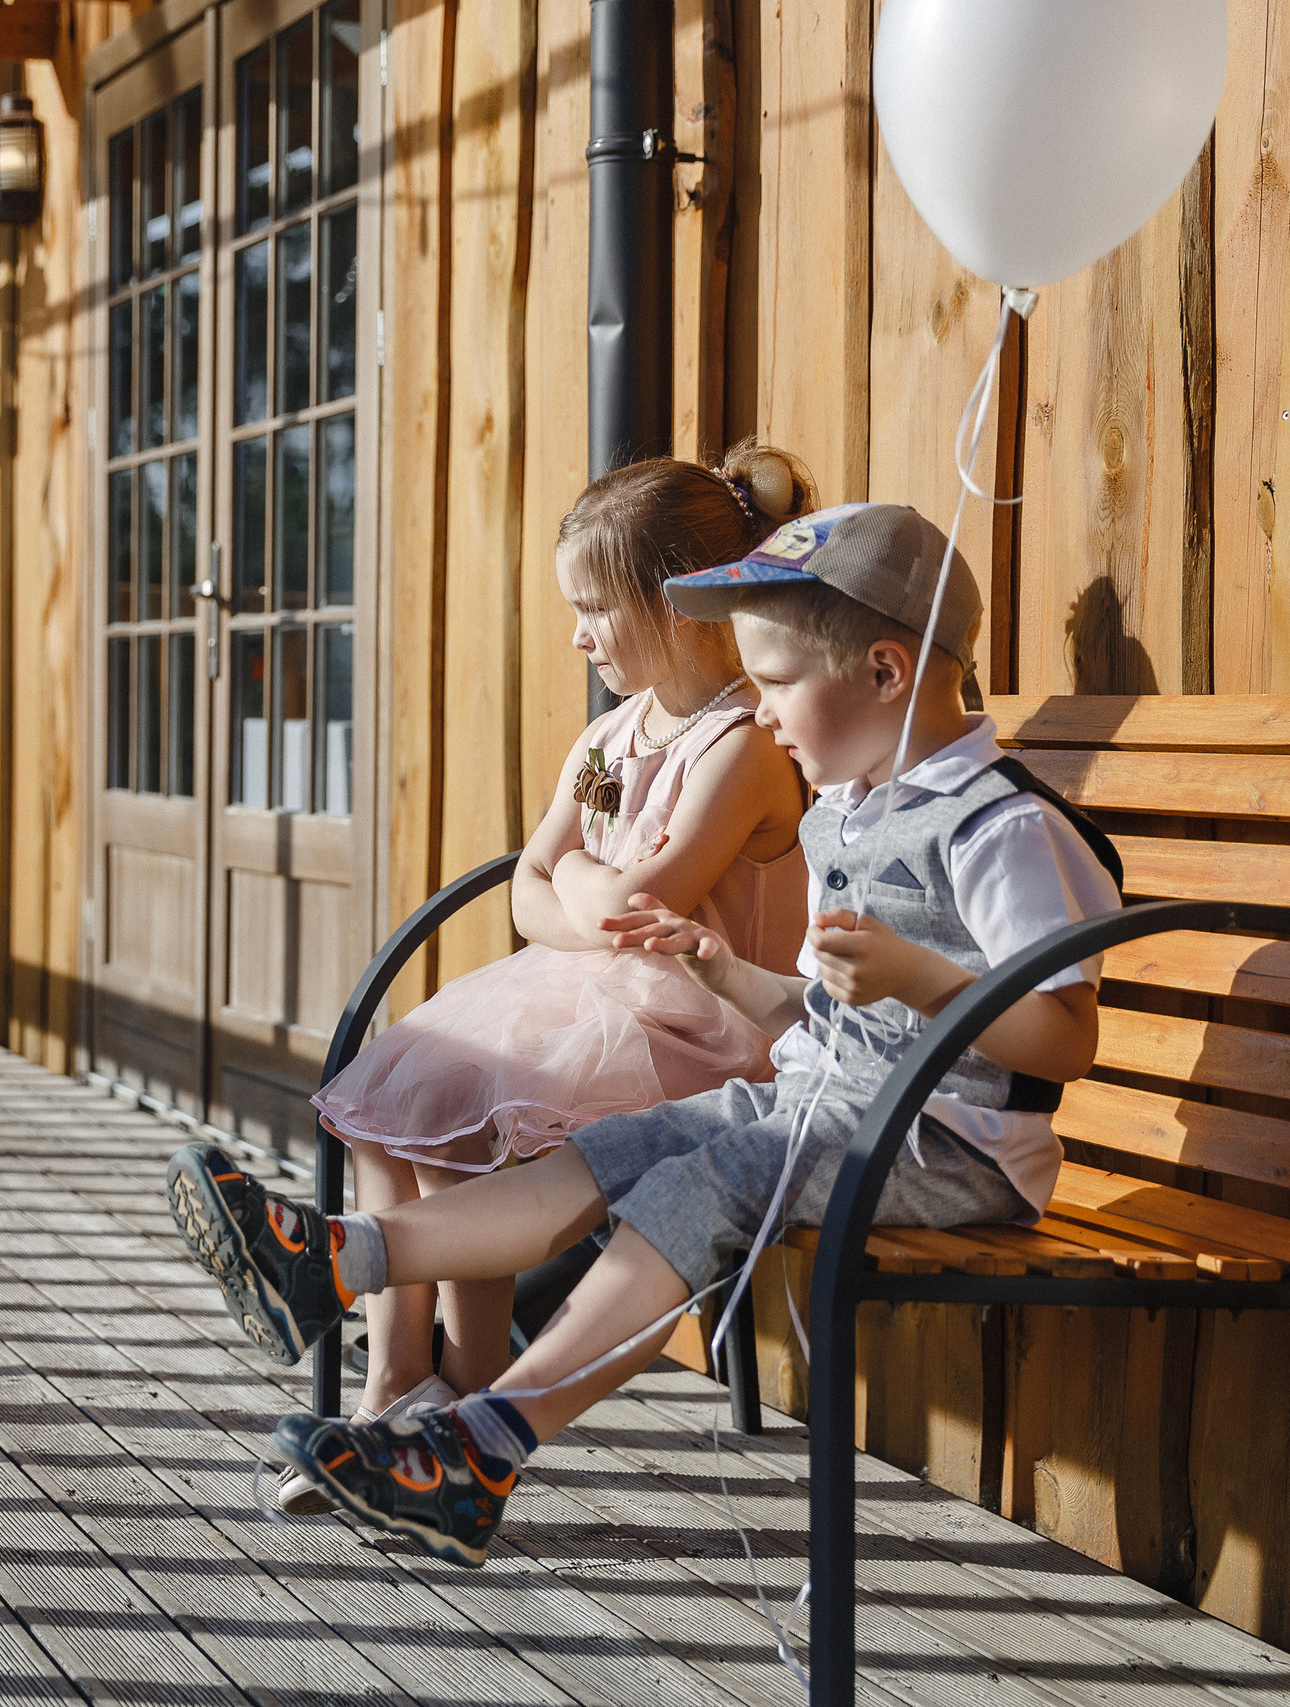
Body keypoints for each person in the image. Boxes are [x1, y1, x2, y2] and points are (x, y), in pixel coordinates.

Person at [164, 502, 1125, 1565]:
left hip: (950, 1147)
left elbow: (1063, 1043)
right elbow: (820, 1017)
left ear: (887, 673)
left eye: (774, 685)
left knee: (690, 1188)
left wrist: (918, 977)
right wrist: (719, 969)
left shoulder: (1004, 828)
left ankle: (482, 1448)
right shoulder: (849, 813)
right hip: (821, 1106)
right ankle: (333, 1261)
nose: (761, 715)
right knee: (610, 1154)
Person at [283, 445, 814, 1513]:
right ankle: (399, 1386)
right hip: (590, 995)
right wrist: (575, 880)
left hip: (705, 1026)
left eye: (593, 608)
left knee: (480, 1111)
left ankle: (462, 1402)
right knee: (397, 1108)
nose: (576, 634)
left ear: (675, 604)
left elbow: (628, 907)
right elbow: (529, 890)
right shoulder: (610, 736)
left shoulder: (742, 745)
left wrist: (571, 875)